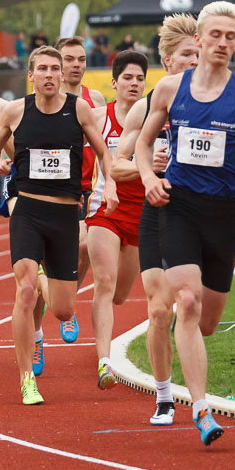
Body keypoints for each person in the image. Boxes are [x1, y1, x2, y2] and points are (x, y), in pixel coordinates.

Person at [135, 0, 235, 447]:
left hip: (222, 214)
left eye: (229, 37)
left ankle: (194, 384)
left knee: (208, 320)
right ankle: (200, 406)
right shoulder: (169, 91)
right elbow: (141, 144)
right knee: (186, 301)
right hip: (177, 206)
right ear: (199, 39)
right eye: (214, 35)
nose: (221, 43)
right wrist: (147, 178)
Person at [0, 46, 117, 405]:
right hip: (28, 211)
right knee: (23, 291)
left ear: (62, 74)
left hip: (66, 214)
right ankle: (26, 381)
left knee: (64, 308)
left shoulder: (78, 108)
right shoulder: (16, 111)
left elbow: (103, 152)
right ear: (31, 76)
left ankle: (42, 280)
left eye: (56, 68)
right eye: (43, 69)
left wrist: (109, 182)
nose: (51, 74)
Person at [111, 14, 198, 425]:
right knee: (160, 309)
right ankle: (165, 396)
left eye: (198, 55)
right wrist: (148, 169)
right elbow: (117, 166)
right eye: (185, 56)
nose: (193, 63)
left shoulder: (218, 102)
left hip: (199, 215)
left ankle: (196, 388)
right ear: (167, 61)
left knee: (196, 307)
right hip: (159, 212)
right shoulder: (145, 108)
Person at [86, 50, 148, 389]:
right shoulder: (99, 117)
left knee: (121, 294)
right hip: (105, 211)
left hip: (142, 215)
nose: (134, 84)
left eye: (140, 78)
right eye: (127, 77)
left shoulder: (153, 118)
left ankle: (102, 332)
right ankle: (104, 361)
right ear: (114, 82)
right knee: (105, 284)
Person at [56, 36, 107, 343]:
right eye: (70, 59)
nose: (77, 65)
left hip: (86, 188)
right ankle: (38, 331)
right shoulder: (45, 98)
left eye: (82, 59)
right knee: (43, 267)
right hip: (51, 188)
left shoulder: (95, 99)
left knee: (84, 248)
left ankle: (68, 303)